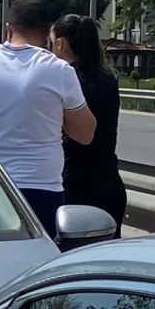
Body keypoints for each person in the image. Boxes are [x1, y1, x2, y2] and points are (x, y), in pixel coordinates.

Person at [0, 0, 96, 238]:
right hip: (40, 186)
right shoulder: (58, 70)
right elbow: (85, 134)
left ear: (8, 29)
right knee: (38, 255)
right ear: (47, 33)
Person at [51, 14, 126, 238]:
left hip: (77, 183)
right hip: (109, 180)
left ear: (60, 44)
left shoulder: (69, 80)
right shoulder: (107, 77)